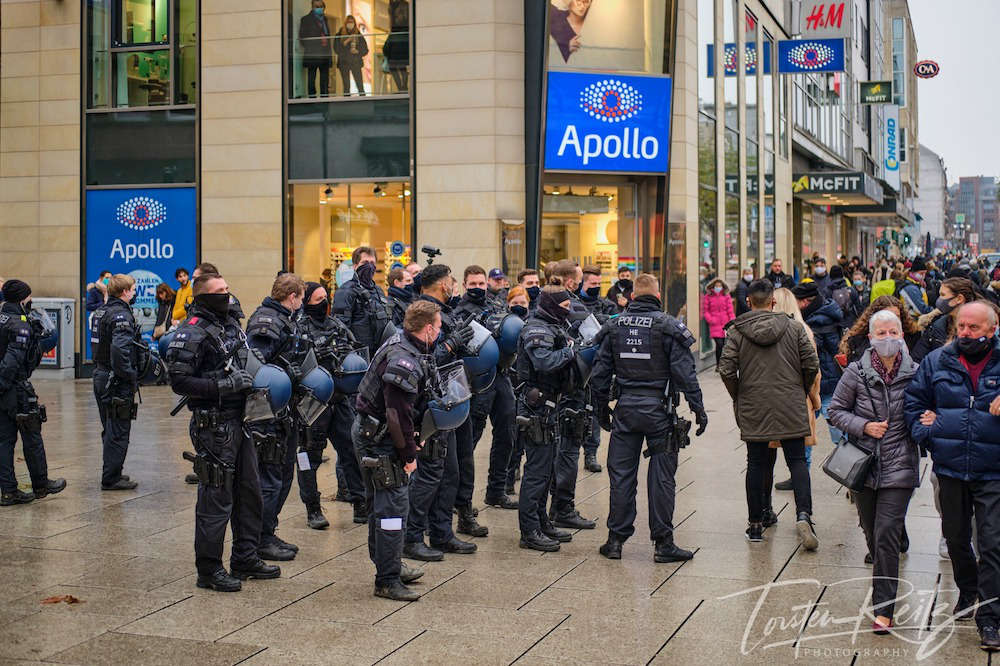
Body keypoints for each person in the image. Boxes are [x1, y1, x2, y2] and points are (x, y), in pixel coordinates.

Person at [164, 272, 279, 591]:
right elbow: (179, 381)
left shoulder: (230, 325)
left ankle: (245, 557)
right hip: (213, 424)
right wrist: (222, 385)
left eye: (228, 289)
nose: (227, 295)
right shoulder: (191, 332)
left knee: (249, 493)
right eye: (220, 291)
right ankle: (209, 569)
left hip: (240, 419)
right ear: (202, 297)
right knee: (216, 499)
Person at [905, 301, 1000, 651]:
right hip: (951, 466)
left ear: (992, 329)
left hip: (993, 469)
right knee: (956, 538)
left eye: (973, 328)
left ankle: (991, 618)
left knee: (992, 543)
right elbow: (914, 404)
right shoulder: (938, 361)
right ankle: (969, 589)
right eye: (961, 326)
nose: (965, 333)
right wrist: (928, 432)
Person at [591, 274, 706, 562]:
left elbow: (600, 374)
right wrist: (698, 408)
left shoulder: (614, 326)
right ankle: (664, 543)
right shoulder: (669, 327)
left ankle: (615, 540)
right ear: (658, 295)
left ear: (632, 296)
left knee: (621, 476)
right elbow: (685, 373)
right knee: (662, 478)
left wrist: (601, 408)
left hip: (626, 410)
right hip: (659, 412)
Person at [828, 309, 918, 634]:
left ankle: (884, 610)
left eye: (893, 331)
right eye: (881, 333)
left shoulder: (917, 374)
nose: (888, 338)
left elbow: (927, 410)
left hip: (900, 466)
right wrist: (864, 425)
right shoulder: (856, 372)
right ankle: (883, 580)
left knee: (886, 536)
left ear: (902, 334)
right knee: (871, 532)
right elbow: (835, 411)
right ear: (870, 337)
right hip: (862, 466)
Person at [719, 279, 819, 549]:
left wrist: (739, 394)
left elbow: (726, 369)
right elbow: (812, 363)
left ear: (748, 302)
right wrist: (801, 388)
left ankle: (755, 524)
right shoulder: (794, 327)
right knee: (797, 461)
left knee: (756, 462)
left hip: (754, 403)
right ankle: (804, 515)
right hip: (790, 402)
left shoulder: (737, 332)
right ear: (773, 302)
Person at [354, 300, 441, 601]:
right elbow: (396, 415)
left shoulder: (404, 341)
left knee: (381, 506)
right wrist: (409, 456)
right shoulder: (403, 360)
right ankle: (387, 580)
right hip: (380, 439)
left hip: (374, 432)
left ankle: (388, 564)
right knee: (392, 510)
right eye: (439, 326)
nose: (440, 331)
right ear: (428, 328)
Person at [403, 264, 477, 560]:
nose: (453, 285)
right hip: (429, 406)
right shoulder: (420, 312)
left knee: (451, 472)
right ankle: (412, 536)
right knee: (432, 474)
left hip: (450, 399)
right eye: (450, 281)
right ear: (440, 284)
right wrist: (451, 343)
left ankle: (442, 532)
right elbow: (423, 356)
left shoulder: (445, 311)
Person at [246, 273, 310, 561]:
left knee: (283, 475)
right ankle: (259, 539)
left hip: (285, 409)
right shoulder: (267, 322)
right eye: (302, 298)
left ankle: (268, 531)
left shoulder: (286, 318)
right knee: (270, 479)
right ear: (292, 296)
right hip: (268, 412)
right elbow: (257, 369)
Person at [297, 282, 366, 528]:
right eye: (317, 299)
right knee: (308, 455)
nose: (323, 303)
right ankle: (312, 508)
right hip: (313, 404)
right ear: (306, 302)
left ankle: (360, 502)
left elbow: (354, 351)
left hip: (340, 400)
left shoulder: (337, 325)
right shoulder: (299, 329)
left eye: (325, 297)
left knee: (351, 451)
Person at [516, 285, 579, 551]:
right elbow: (544, 362)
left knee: (547, 469)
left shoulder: (553, 325)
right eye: (564, 308)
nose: (568, 312)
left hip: (549, 405)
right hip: (535, 407)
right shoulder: (537, 328)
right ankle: (529, 530)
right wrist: (571, 352)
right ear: (551, 306)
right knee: (536, 471)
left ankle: (541, 521)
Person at [0, 280, 66, 506]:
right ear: (21, 299)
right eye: (29, 297)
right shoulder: (20, 325)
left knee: (5, 441)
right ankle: (40, 484)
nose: (30, 301)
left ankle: (8, 492)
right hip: (15, 389)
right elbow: (11, 362)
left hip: (5, 391)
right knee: (32, 437)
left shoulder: (2, 318)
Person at [546, 260, 600, 527]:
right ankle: (562, 508)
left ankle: (556, 505)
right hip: (571, 389)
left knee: (556, 449)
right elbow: (596, 339)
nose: (579, 284)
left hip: (556, 390)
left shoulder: (545, 306)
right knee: (567, 451)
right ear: (568, 281)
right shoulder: (573, 308)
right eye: (577, 279)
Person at [449, 265, 496, 537]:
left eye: (482, 282)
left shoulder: (493, 305)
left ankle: (464, 511)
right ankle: (450, 513)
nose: (478, 287)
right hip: (461, 386)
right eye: (473, 283)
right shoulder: (456, 314)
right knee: (455, 457)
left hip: (489, 381)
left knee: (465, 456)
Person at [91, 274, 143, 491]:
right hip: (115, 380)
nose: (134, 292)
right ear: (125, 292)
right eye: (132, 289)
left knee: (110, 427)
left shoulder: (101, 311)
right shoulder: (121, 315)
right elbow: (120, 350)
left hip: (100, 375)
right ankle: (111, 478)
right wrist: (130, 375)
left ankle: (112, 471)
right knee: (118, 430)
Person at [793, 281, 844, 460]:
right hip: (824, 380)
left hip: (824, 382)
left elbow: (813, 352)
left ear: (805, 302)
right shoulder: (823, 312)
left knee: (838, 435)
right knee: (806, 431)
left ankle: (854, 474)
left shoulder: (817, 321)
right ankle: (799, 474)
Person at [333, 247, 394, 358]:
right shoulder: (346, 291)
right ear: (355, 266)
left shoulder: (378, 290)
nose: (369, 266)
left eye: (372, 263)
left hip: (380, 351)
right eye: (365, 262)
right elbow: (340, 326)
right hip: (359, 353)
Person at [838, 296, 921, 367]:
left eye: (896, 316)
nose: (891, 320)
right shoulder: (859, 341)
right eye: (886, 316)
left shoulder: (913, 337)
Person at [912, 278, 977, 363]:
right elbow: (917, 358)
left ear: (959, 299)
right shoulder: (936, 325)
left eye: (942, 295)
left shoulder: (978, 329)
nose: (939, 299)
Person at [299, 0, 333, 97]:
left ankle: (325, 100)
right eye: (317, 6)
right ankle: (312, 101)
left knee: (324, 81)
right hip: (312, 54)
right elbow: (303, 38)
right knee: (311, 79)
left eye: (321, 6)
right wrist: (314, 45)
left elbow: (328, 38)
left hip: (324, 54)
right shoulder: (306, 19)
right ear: (312, 7)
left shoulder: (325, 20)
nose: (319, 8)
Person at [702, 278, 735, 370]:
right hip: (714, 324)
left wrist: (732, 320)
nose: (718, 287)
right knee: (719, 344)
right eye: (716, 286)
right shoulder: (708, 297)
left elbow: (730, 310)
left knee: (725, 345)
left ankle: (723, 364)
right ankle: (718, 364)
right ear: (713, 286)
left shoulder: (726, 296)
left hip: (725, 324)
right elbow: (706, 311)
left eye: (720, 286)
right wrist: (711, 319)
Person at [334, 14, 368, 96]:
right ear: (345, 23)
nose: (350, 24)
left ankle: (364, 103)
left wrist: (358, 52)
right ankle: (346, 104)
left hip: (355, 62)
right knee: (346, 86)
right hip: (344, 63)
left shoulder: (358, 35)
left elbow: (365, 49)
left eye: (352, 22)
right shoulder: (339, 34)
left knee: (360, 85)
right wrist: (347, 41)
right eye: (348, 22)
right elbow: (336, 49)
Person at [829, 265, 862, 329]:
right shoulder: (851, 290)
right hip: (850, 324)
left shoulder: (827, 291)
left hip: (834, 326)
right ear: (842, 276)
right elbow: (859, 308)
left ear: (830, 277)